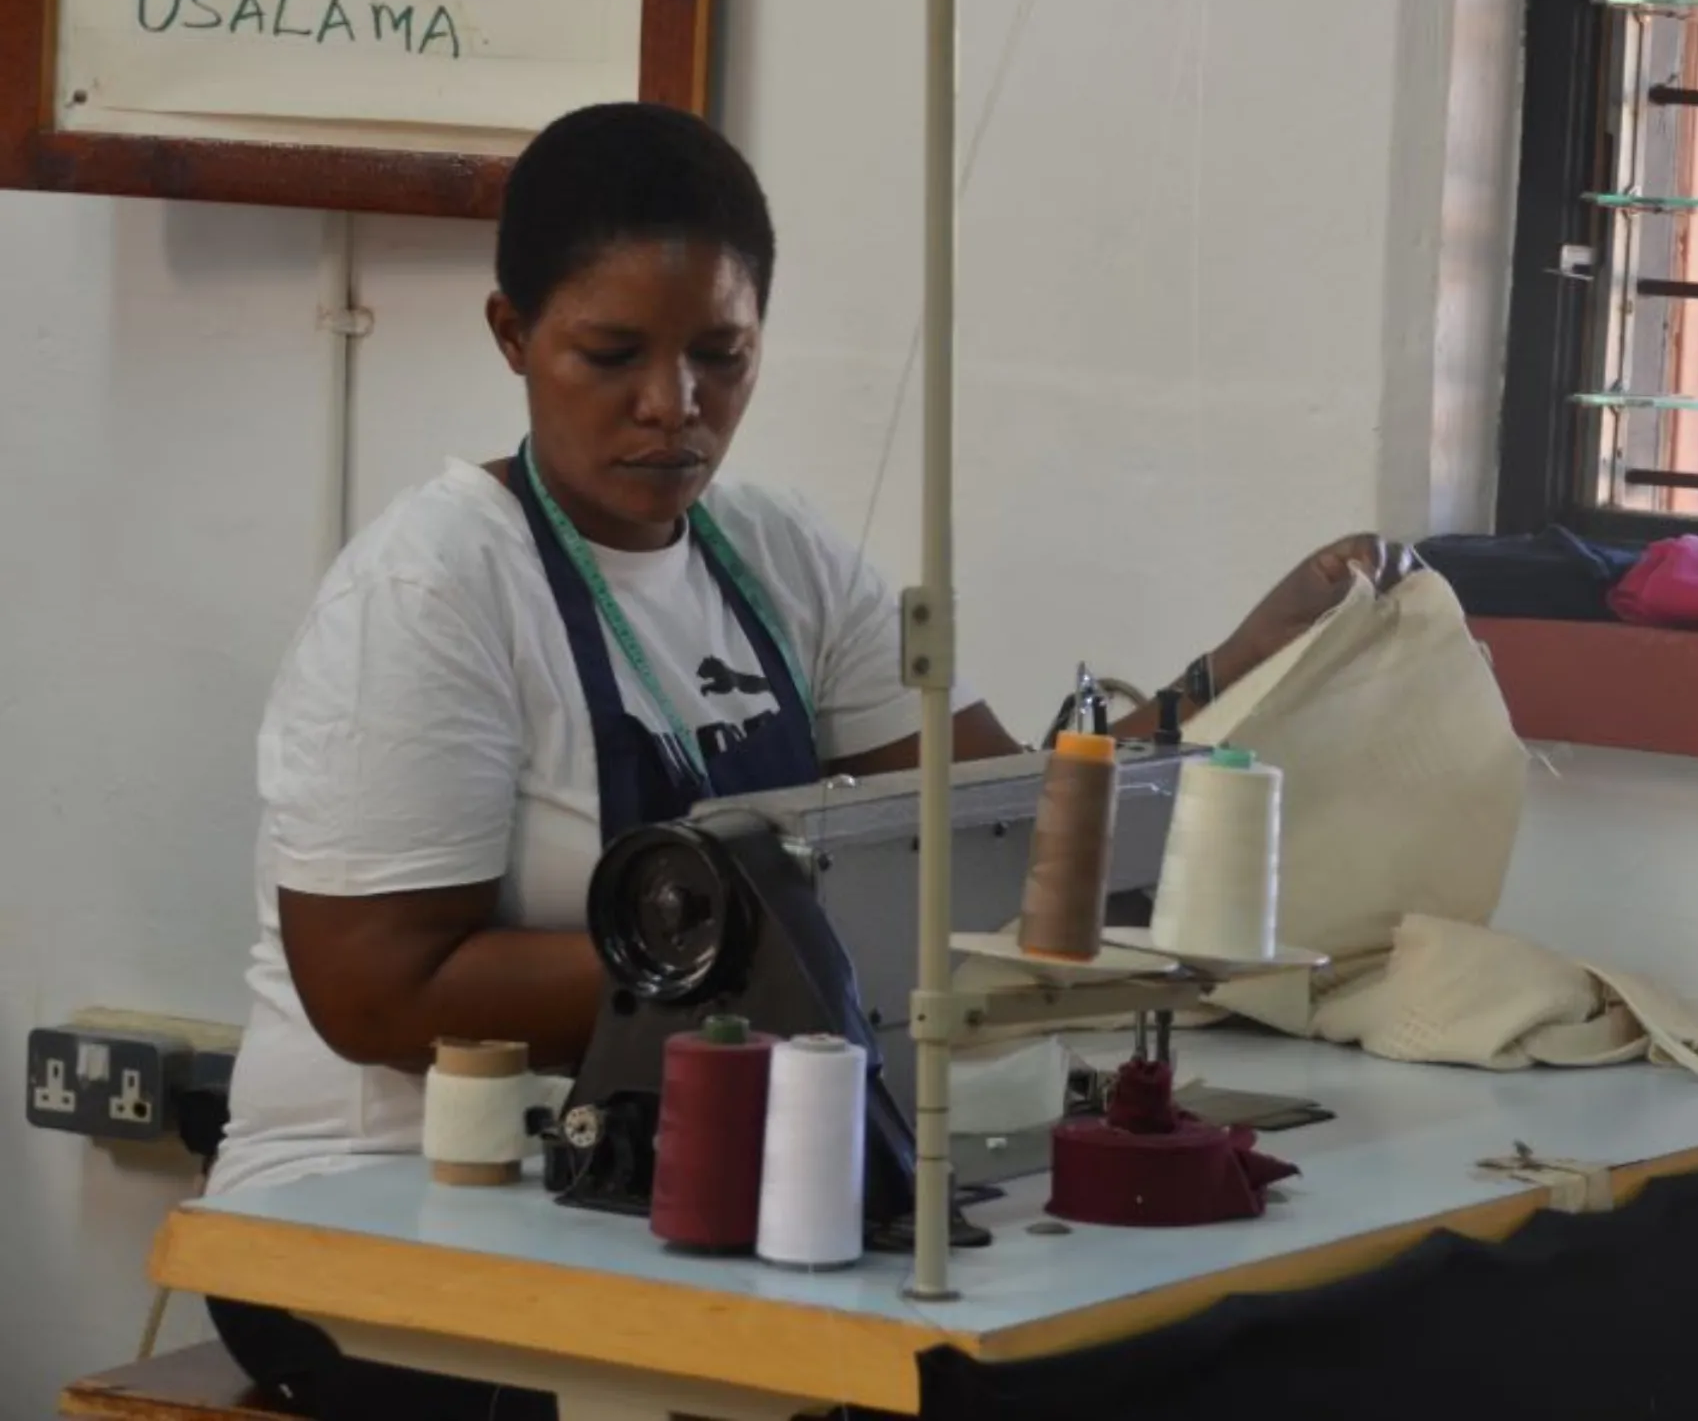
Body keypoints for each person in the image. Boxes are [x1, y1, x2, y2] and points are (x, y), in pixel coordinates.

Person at [203, 101, 1413, 1418]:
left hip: (682, 1201)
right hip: (382, 1233)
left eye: (721, 356)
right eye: (612, 354)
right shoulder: (433, 592)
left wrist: (1245, 659)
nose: (674, 407)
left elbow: (998, 846)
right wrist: (787, 975)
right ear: (512, 335)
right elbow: (380, 999)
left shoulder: (778, 555)